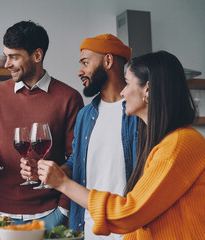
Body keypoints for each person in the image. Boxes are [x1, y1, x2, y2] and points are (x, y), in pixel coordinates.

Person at [38, 50, 205, 239]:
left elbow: (130, 213)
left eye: (127, 83)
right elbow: (145, 221)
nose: (123, 92)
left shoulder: (178, 145)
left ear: (147, 89)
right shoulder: (166, 141)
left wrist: (63, 184)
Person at [22, 33, 137, 238]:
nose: (80, 71)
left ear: (108, 61)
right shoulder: (85, 115)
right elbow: (77, 162)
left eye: (85, 63)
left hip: (128, 227)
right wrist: (52, 172)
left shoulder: (139, 113)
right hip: (88, 226)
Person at [0, 20, 84, 229]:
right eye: (6, 56)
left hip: (50, 215)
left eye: (14, 57)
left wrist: (63, 209)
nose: (7, 64)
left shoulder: (69, 98)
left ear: (37, 55)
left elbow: (77, 159)